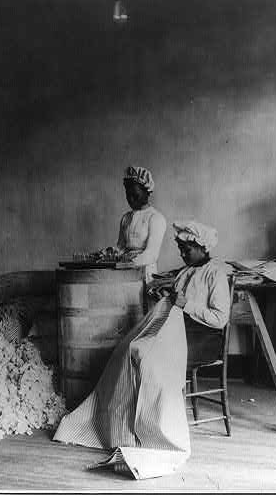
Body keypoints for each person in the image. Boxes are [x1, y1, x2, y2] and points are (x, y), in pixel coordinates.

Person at [53, 221, 230, 476]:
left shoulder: (216, 273)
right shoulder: (184, 272)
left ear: (201, 247)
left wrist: (186, 304)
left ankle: (156, 432)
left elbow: (219, 318)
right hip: (178, 331)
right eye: (180, 248)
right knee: (131, 349)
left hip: (204, 337)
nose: (182, 253)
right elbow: (174, 304)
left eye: (186, 249)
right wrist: (164, 296)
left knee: (151, 360)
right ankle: (122, 428)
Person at [115, 166, 167, 283]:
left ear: (147, 192)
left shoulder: (156, 218)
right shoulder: (126, 218)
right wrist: (109, 253)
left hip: (144, 271)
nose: (131, 199)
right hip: (124, 271)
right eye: (128, 195)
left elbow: (151, 254)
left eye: (135, 194)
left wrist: (127, 262)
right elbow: (120, 247)